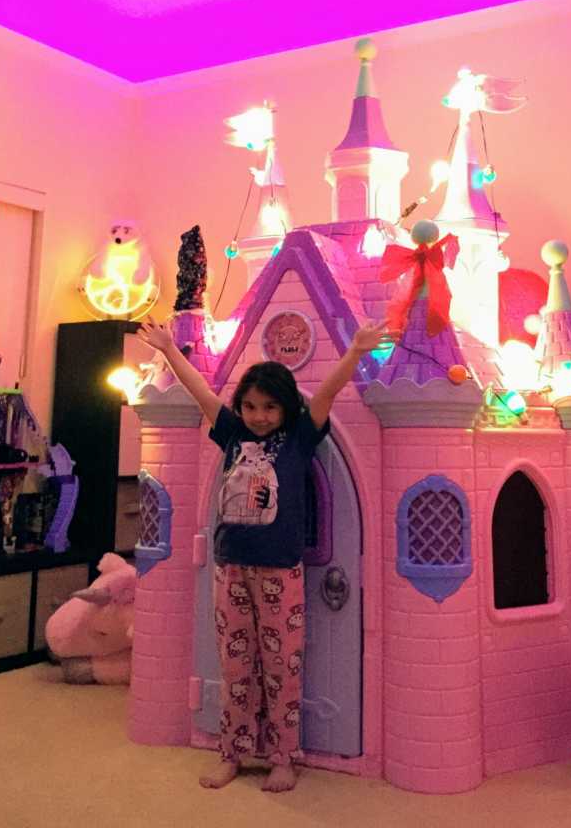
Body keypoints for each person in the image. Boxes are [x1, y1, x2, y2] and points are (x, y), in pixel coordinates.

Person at [137, 315, 396, 793]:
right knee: (235, 665)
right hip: (230, 565)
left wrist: (357, 351)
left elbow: (325, 397)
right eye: (251, 406)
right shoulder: (233, 434)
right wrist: (171, 351)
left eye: (269, 407)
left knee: (282, 665)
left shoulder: (298, 438)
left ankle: (283, 757)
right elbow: (200, 394)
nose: (258, 415)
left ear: (285, 409)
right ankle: (232, 751)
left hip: (281, 570)